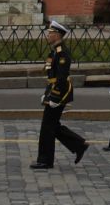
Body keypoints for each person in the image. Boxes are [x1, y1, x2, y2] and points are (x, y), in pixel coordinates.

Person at [32, 21, 88, 169]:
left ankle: (45, 160)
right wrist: (46, 94)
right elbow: (52, 77)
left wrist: (55, 97)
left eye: (50, 33)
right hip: (53, 92)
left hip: (59, 94)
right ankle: (79, 145)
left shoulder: (62, 52)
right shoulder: (55, 51)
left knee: (47, 128)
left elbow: (61, 78)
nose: (48, 35)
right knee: (52, 126)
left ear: (57, 34)